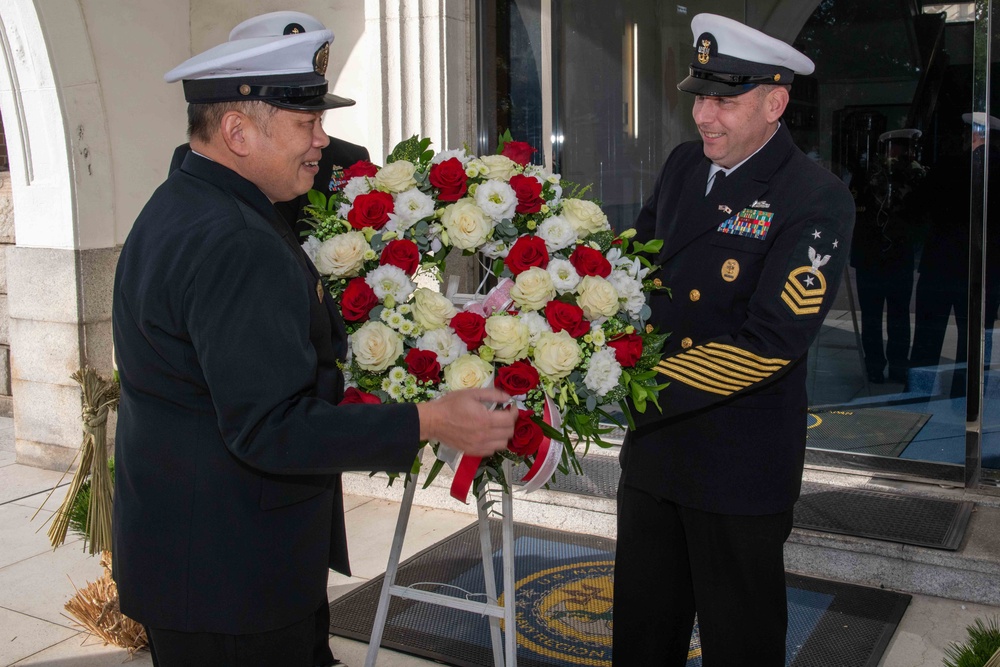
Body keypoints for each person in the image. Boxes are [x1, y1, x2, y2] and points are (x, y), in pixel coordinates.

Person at [111, 11, 517, 667]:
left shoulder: (183, 201)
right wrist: (432, 418)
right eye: (306, 124)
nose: (322, 142)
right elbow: (272, 428)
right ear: (238, 131)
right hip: (234, 581)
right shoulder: (238, 243)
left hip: (193, 565)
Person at [613, 14, 854, 666]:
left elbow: (772, 341)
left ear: (775, 102)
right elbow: (636, 263)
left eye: (724, 99)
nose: (702, 115)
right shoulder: (684, 165)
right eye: (699, 95)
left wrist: (638, 385)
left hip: (738, 466)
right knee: (640, 637)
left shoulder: (814, 197)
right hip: (655, 458)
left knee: (740, 646)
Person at [910, 112, 1000, 395]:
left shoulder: (948, 165)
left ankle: (917, 396)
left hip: (943, 263)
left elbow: (919, 207)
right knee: (974, 341)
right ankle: (966, 398)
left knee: (928, 337)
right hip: (982, 268)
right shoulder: (989, 165)